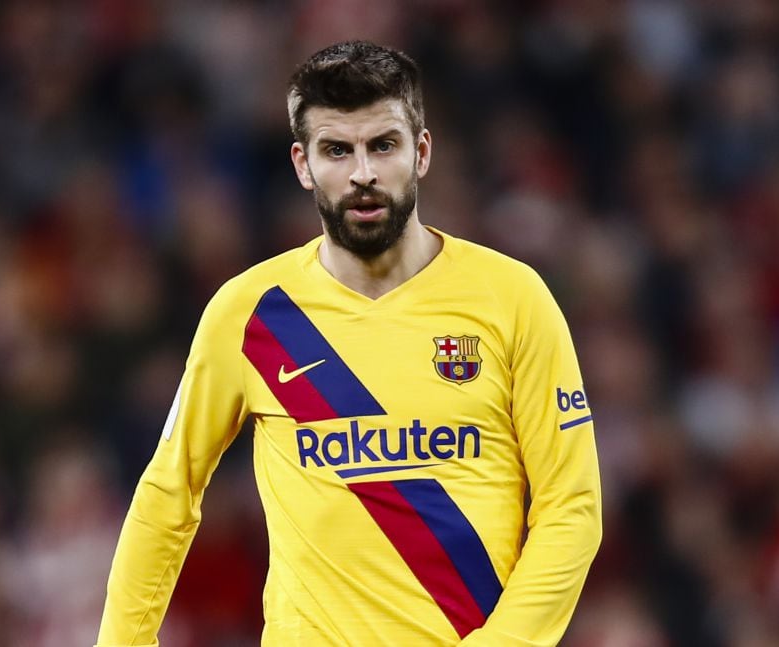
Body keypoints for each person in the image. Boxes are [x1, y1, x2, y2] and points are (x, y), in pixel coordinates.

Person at [96, 41, 601, 647]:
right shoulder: (249, 313)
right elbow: (167, 493)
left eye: (383, 145)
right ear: (303, 164)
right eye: (337, 150)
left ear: (421, 152)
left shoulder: (513, 298)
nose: (363, 173)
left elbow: (571, 508)